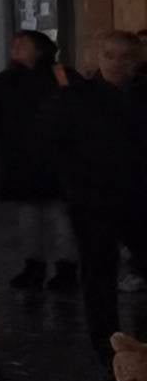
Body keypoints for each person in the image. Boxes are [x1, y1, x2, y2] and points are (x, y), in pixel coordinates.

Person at [52, 34, 138, 331]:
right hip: (93, 197)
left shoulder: (138, 95)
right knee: (98, 270)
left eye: (124, 56)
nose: (115, 62)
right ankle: (106, 340)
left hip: (136, 194)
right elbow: (59, 145)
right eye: (109, 55)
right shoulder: (79, 97)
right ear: (98, 56)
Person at [0, 29, 70, 292]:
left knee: (60, 215)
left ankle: (65, 268)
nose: (16, 47)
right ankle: (35, 265)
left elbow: (74, 108)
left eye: (24, 43)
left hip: (56, 159)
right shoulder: (6, 80)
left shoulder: (59, 75)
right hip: (21, 160)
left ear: (40, 49)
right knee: (30, 215)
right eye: (14, 43)